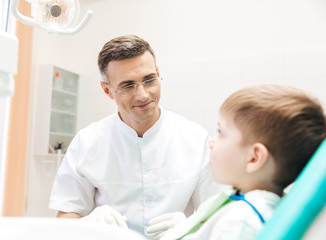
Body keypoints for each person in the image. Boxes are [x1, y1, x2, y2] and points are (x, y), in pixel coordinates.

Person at [48, 35, 222, 237]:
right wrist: (87, 223)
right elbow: (65, 218)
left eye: (149, 80)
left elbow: (217, 217)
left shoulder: (195, 139)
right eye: (128, 85)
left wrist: (193, 226)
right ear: (108, 90)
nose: (142, 95)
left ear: (158, 75)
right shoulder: (87, 142)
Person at [157, 84, 326, 240]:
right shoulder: (256, 206)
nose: (211, 142)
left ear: (254, 158)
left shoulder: (239, 222)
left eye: (221, 133)